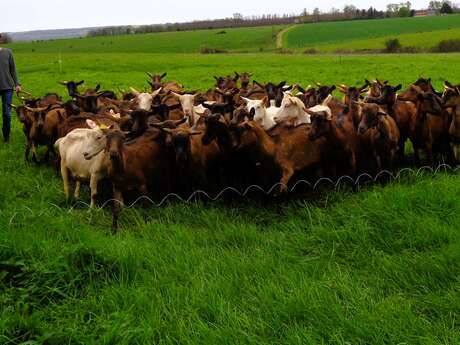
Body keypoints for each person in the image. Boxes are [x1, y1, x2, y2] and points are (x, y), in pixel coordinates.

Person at [0, 46, 21, 143]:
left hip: (7, 88)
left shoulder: (8, 52)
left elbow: (13, 69)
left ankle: (6, 137)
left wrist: (17, 84)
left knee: (7, 114)